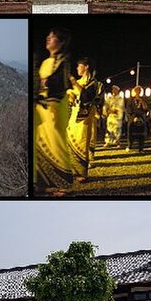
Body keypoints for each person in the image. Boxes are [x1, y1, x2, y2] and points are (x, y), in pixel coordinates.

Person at [34, 28, 73, 196]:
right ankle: (42, 183)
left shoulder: (63, 61)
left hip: (54, 106)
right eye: (48, 36)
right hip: (41, 108)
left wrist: (53, 106)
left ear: (61, 42)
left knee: (56, 141)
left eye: (53, 37)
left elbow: (59, 85)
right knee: (40, 143)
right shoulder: (45, 63)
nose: (48, 38)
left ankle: (62, 183)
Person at [66, 57, 98, 181]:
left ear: (86, 66)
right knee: (71, 141)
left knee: (81, 143)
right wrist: (70, 95)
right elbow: (73, 98)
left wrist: (74, 83)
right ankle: (73, 170)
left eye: (79, 66)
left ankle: (81, 173)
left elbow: (87, 97)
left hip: (84, 118)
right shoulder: (79, 81)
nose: (77, 68)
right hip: (74, 116)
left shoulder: (93, 83)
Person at [126, 86, 149, 152]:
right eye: (136, 90)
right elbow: (128, 109)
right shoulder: (131, 99)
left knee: (141, 133)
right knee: (131, 131)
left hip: (141, 117)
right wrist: (133, 116)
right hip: (133, 117)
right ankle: (130, 145)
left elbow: (145, 108)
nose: (138, 92)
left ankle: (141, 147)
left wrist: (142, 102)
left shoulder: (143, 99)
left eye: (139, 90)